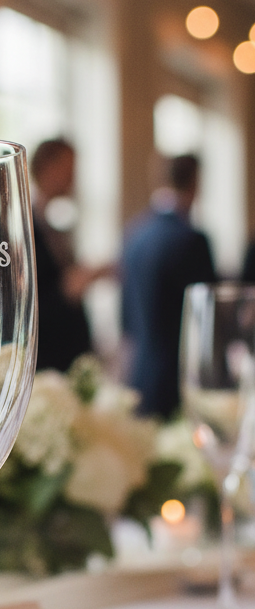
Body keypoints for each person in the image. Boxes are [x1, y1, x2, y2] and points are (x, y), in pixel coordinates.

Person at [121, 154, 216, 419]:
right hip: (180, 379)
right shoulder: (193, 241)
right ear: (195, 182)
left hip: (139, 375)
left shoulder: (134, 234)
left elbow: (127, 318)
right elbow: (209, 319)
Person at [30, 139, 111, 372]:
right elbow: (4, 309)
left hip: (68, 360)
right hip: (43, 364)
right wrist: (66, 289)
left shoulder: (54, 224)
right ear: (47, 167)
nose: (73, 177)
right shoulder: (10, 228)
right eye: (69, 168)